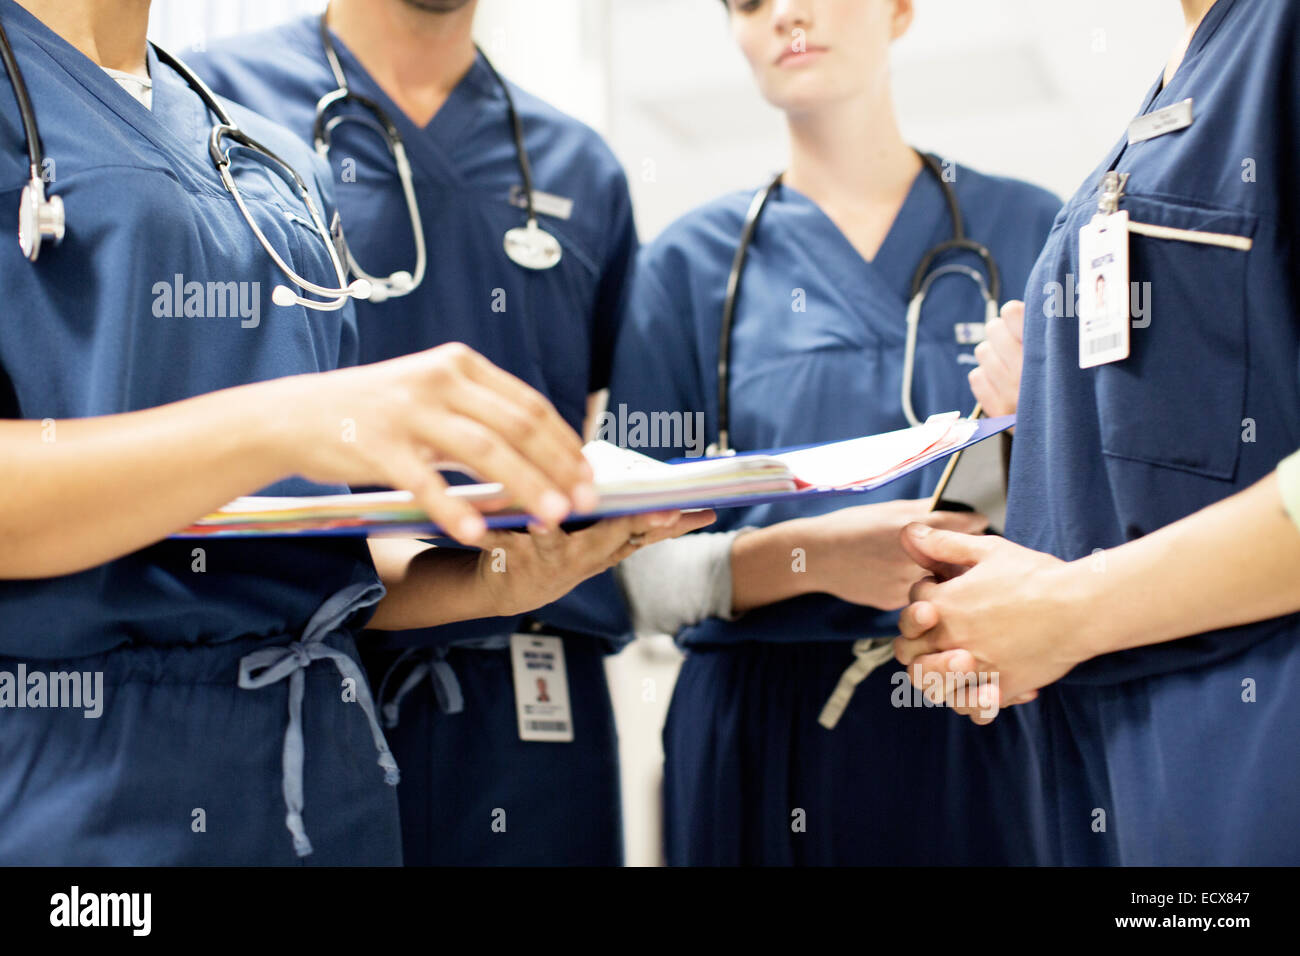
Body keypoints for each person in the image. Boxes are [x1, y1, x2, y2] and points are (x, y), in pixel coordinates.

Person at [0, 0, 703, 864]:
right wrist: (285, 422)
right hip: (79, 789)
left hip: (325, 790)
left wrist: (499, 573)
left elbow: (318, 565)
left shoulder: (269, 159)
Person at [189, 0, 655, 865]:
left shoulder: (580, 171)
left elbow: (601, 432)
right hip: (301, 666)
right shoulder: (212, 108)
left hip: (533, 690)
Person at [607, 0, 1060, 865]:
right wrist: (804, 556)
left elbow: (1111, 509)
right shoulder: (689, 270)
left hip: (984, 714)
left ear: (899, 10)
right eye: (748, 0)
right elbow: (624, 575)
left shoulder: (1035, 235)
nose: (787, 13)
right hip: (760, 731)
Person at [895, 0, 1300, 866]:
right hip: (1118, 767)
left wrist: (1066, 612)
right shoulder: (1187, 64)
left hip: (1251, 755)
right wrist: (1047, 395)